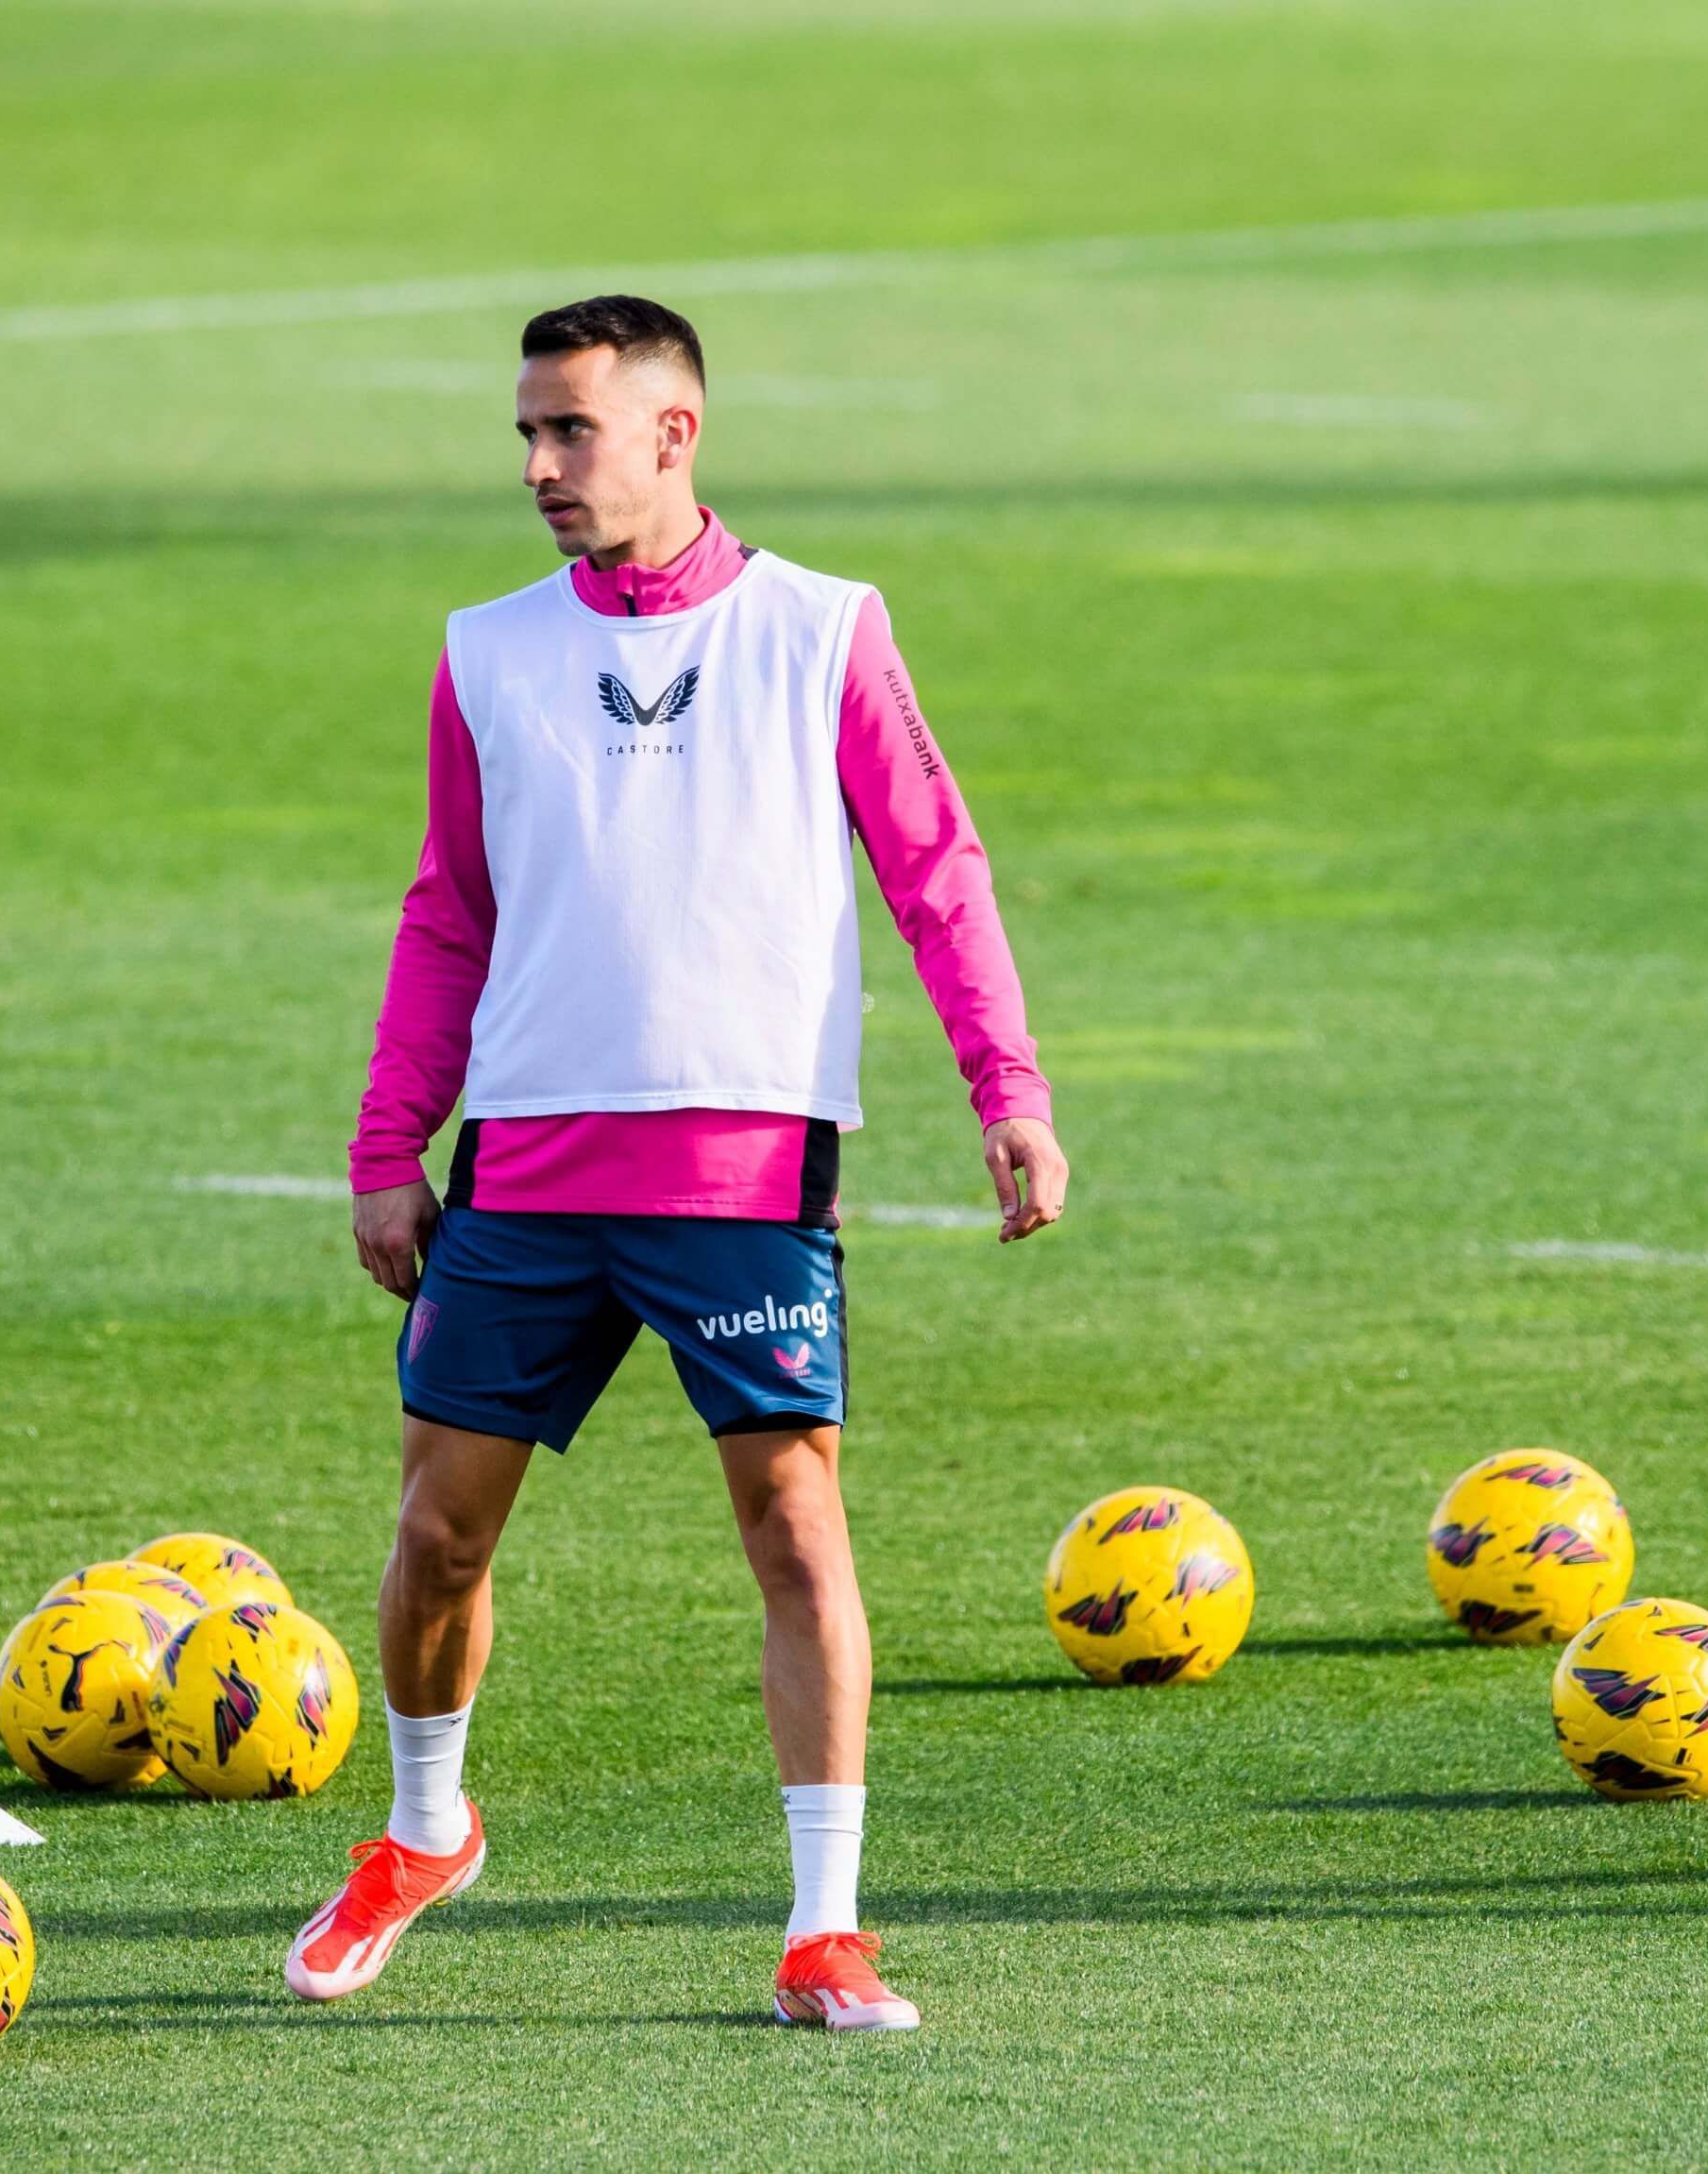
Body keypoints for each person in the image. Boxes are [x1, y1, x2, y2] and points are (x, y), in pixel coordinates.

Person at [289, 295, 1068, 2026]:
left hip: (742, 1177)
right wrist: (382, 1146)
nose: (541, 466)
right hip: (527, 1173)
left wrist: (1003, 1084)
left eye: (571, 430)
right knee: (437, 1536)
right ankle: (423, 1829)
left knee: (796, 1529)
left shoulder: (824, 628)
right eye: (525, 434)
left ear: (672, 433)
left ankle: (822, 1925)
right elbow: (447, 913)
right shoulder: (486, 649)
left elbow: (936, 868)